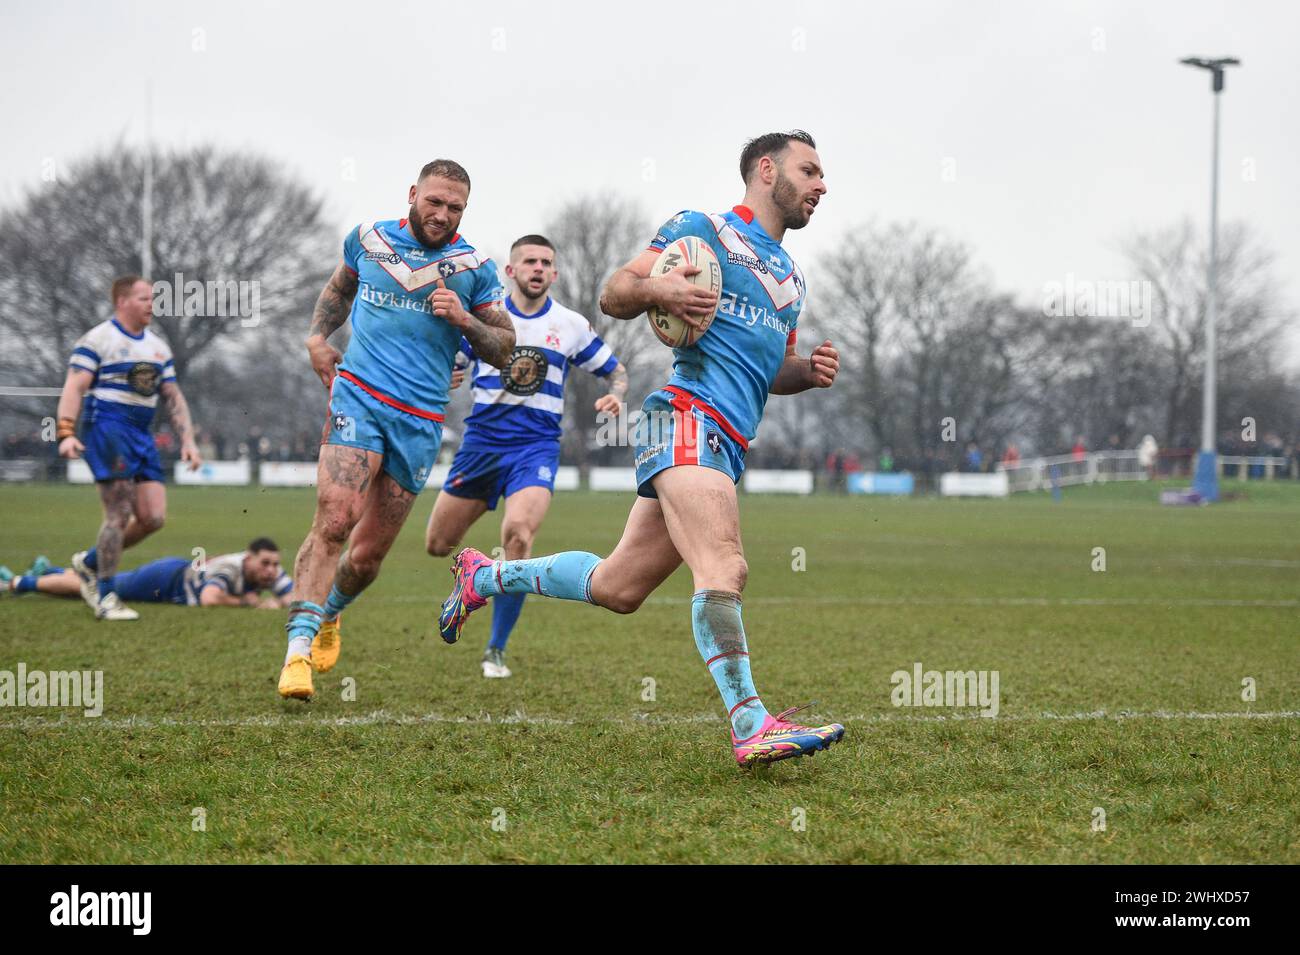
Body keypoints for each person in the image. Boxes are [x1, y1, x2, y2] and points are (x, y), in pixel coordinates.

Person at [438, 130, 846, 768]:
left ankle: (484, 576)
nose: (823, 185)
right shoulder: (702, 230)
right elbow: (613, 292)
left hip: (725, 440)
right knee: (725, 566)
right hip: (684, 419)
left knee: (618, 587)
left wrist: (807, 372)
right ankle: (750, 724)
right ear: (766, 171)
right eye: (811, 170)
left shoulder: (791, 278)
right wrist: (660, 292)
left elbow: (773, 370)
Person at [277, 159, 515, 700]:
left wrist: (464, 321)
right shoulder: (368, 238)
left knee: (365, 558)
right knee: (335, 520)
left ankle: (330, 614)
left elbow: (505, 350)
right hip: (359, 398)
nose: (442, 214)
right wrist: (317, 337)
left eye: (455, 207)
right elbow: (340, 289)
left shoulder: (474, 267)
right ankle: (296, 653)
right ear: (413, 194)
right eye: (434, 201)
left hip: (422, 420)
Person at [425, 234, 627, 679]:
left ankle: (495, 650)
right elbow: (452, 362)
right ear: (511, 272)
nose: (538, 268)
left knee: (517, 536)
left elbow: (616, 371)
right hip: (479, 444)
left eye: (546, 262)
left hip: (535, 446)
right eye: (529, 261)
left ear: (554, 274)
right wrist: (451, 375)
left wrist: (616, 395)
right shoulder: (486, 319)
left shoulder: (570, 324)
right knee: (437, 543)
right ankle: (469, 578)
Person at [56, 275, 202, 621]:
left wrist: (189, 442)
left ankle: (89, 563)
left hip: (140, 432)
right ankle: (106, 596)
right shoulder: (98, 339)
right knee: (119, 512)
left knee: (153, 518)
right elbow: (75, 387)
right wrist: (65, 432)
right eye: (143, 298)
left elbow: (173, 397)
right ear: (122, 301)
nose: (151, 304)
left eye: (152, 299)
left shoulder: (157, 346)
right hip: (107, 427)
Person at [2, 538, 292, 608]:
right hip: (165, 580)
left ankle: (49, 571)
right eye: (265, 563)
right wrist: (249, 603)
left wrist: (283, 602)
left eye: (274, 565)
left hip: (176, 573)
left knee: (102, 585)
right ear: (249, 558)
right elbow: (209, 598)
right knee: (99, 588)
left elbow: (294, 596)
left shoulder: (268, 572)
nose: (271, 570)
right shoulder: (231, 568)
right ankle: (18, 582)